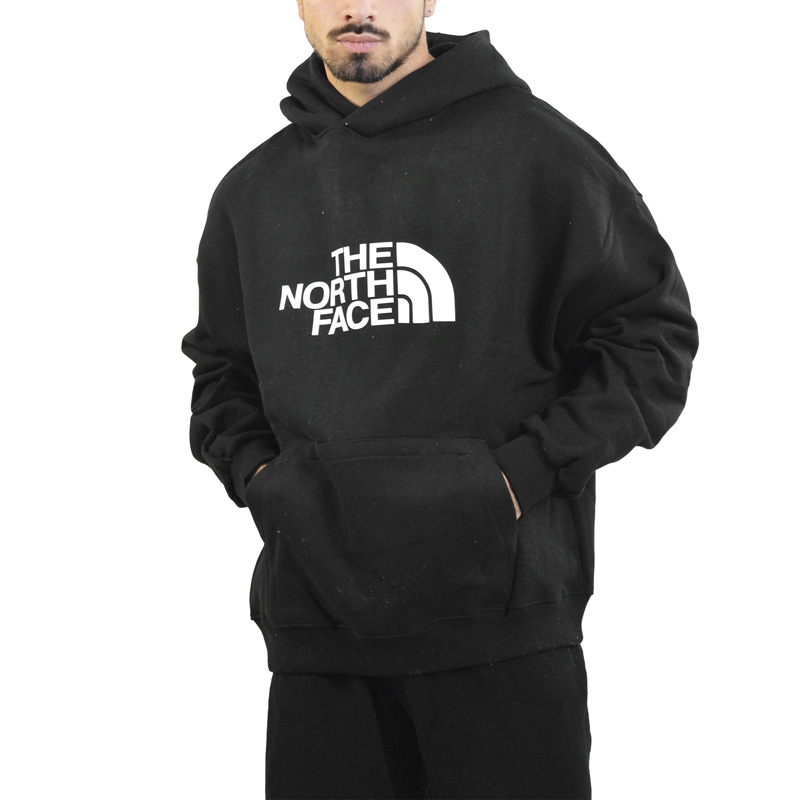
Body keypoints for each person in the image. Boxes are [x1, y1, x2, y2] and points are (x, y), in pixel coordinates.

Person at [180, 1, 699, 797]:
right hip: (319, 636)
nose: (357, 7)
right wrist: (265, 482)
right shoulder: (253, 192)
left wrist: (516, 478)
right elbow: (221, 371)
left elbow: (650, 342)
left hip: (503, 633)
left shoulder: (539, 154)